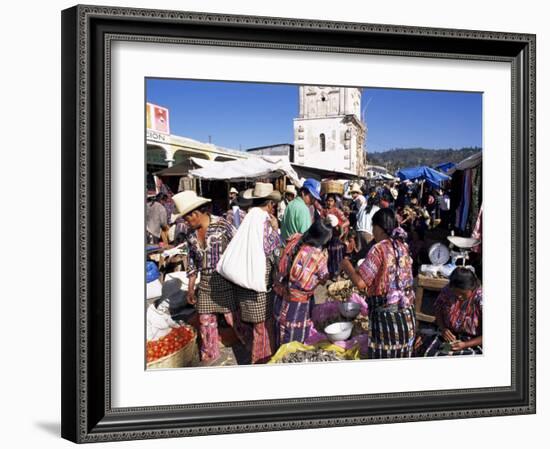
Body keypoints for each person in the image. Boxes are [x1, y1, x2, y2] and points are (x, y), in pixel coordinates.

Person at [171, 190, 243, 363]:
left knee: (234, 320)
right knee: (205, 322)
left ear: (195, 214)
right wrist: (190, 288)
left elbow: (239, 249)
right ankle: (210, 356)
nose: (186, 223)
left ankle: (246, 345)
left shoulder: (222, 225)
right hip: (204, 285)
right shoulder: (190, 235)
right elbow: (192, 263)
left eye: (187, 218)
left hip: (226, 282)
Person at [340, 208, 416, 358]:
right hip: (407, 320)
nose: (372, 231)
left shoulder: (379, 249)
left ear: (379, 228)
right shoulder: (403, 247)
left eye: (373, 226)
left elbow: (361, 283)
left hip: (386, 322)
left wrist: (345, 264)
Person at [223, 182, 282, 364]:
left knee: (255, 326)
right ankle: (261, 362)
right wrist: (276, 229)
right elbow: (273, 250)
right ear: (270, 204)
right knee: (262, 327)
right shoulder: (264, 221)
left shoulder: (247, 217)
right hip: (259, 285)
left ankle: (256, 356)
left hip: (244, 281)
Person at [273, 219, 332, 345]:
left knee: (281, 331)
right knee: (293, 338)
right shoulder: (318, 256)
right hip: (297, 305)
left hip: (279, 297)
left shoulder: (294, 240)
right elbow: (323, 279)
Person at [417, 267, 483, 356]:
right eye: (456, 293)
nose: (459, 296)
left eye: (462, 293)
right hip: (450, 335)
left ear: (471, 289)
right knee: (428, 352)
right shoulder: (448, 290)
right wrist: (443, 328)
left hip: (473, 341)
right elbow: (438, 309)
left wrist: (465, 344)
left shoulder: (481, 299)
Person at [320, 193, 349, 279]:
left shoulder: (337, 211)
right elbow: (321, 221)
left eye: (331, 201)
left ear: (335, 202)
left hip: (336, 237)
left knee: (337, 256)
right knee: (329, 255)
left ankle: (337, 273)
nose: (329, 203)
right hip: (327, 237)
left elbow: (347, 222)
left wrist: (340, 226)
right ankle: (330, 272)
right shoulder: (324, 211)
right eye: (328, 200)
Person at [355, 193, 380, 261]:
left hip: (359, 230)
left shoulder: (363, 206)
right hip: (368, 232)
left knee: (360, 252)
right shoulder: (377, 209)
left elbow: (357, 217)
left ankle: (357, 267)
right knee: (368, 253)